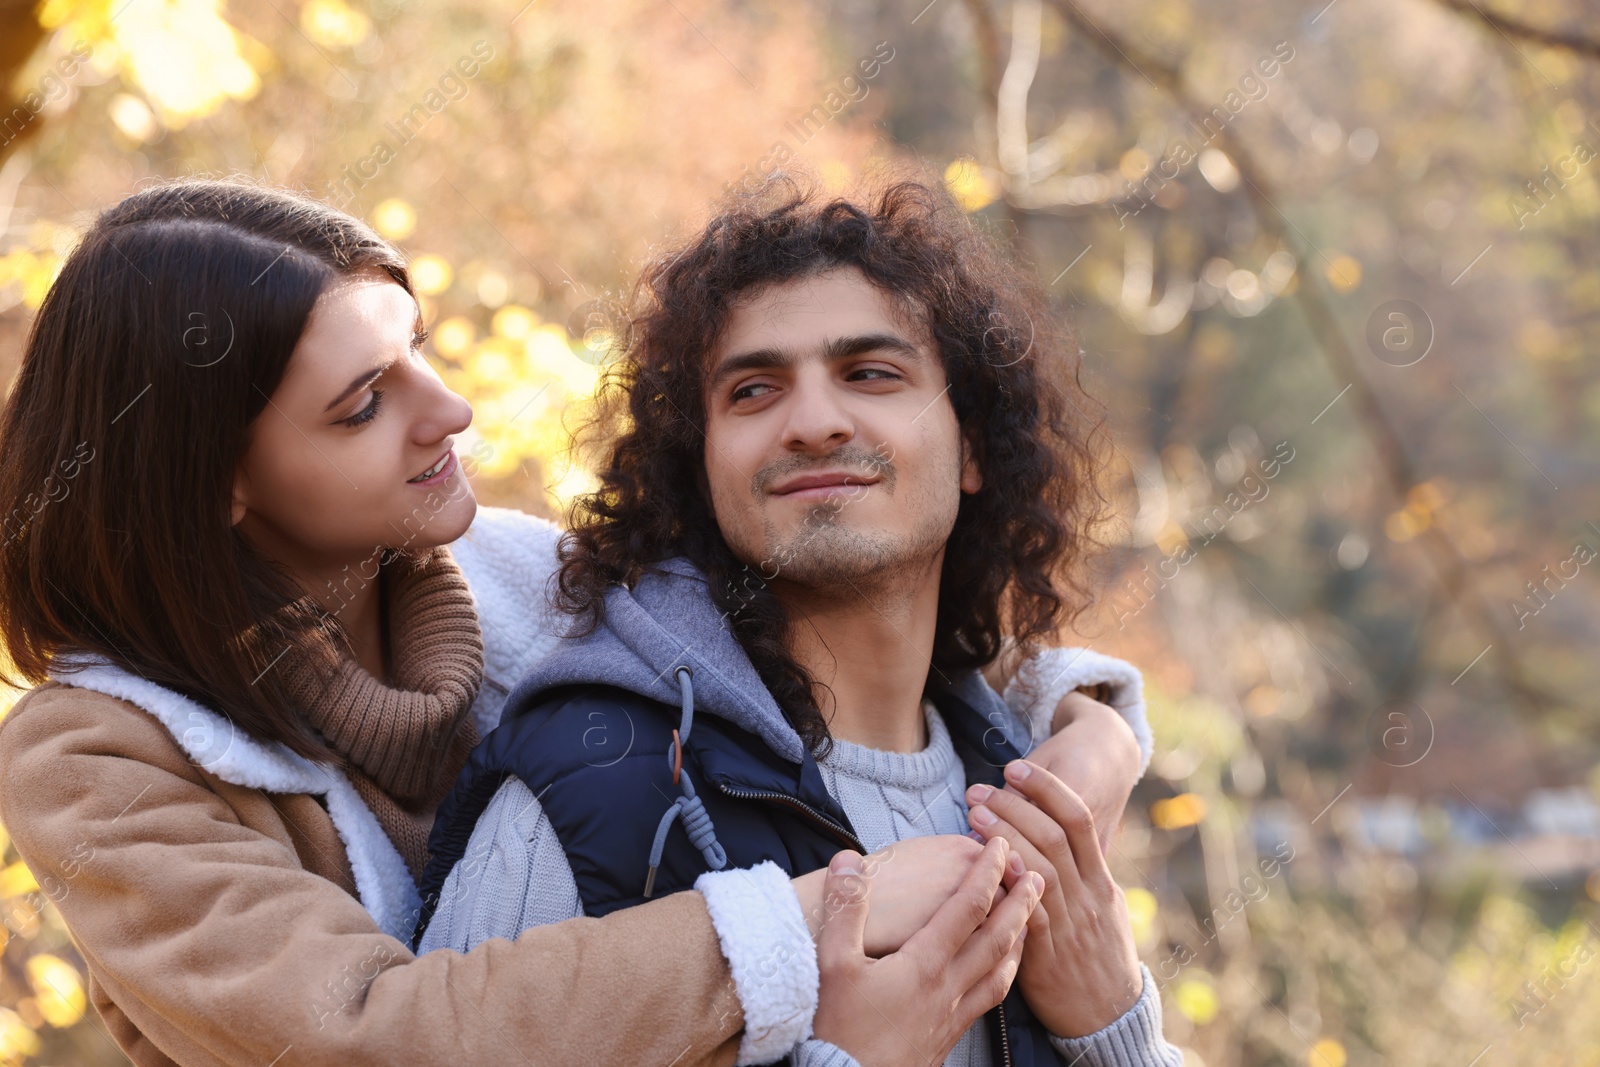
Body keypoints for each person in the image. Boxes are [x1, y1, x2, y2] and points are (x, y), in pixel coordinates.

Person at [0, 179, 1146, 1066]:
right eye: (363, 404)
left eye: (418, 348)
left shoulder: (523, 577)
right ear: (217, 483)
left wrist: (1086, 721)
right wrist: (802, 929)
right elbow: (370, 1036)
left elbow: (853, 575)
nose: (449, 409)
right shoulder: (98, 759)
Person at [416, 176, 1181, 1066]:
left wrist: (1114, 1027)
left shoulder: (1029, 789)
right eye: (753, 391)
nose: (813, 422)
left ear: (971, 446)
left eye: (870, 373)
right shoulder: (591, 793)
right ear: (700, 466)